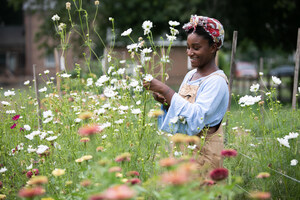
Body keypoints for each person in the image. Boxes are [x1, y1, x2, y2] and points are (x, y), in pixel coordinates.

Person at [143, 15, 229, 171]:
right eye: (188, 47)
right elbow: (183, 114)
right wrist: (166, 102)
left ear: (213, 47)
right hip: (183, 151)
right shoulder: (191, 75)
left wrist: (165, 90)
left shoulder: (216, 81)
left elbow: (196, 119)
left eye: (196, 48)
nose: (190, 53)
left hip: (203, 156)